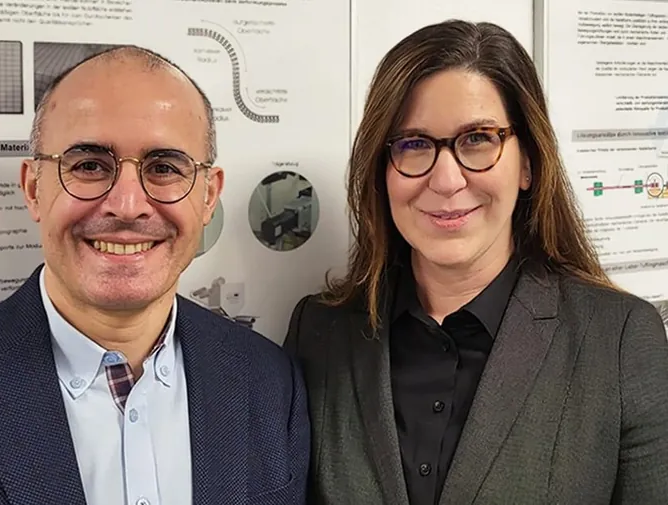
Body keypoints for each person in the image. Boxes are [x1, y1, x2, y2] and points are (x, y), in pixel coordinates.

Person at [0, 46, 308, 505]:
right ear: (34, 189)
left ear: (208, 198)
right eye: (89, 166)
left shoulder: (270, 381)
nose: (128, 205)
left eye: (164, 168)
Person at [284, 19, 668, 505]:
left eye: (478, 139)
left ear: (527, 163)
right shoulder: (320, 333)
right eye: (414, 144)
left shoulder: (619, 341)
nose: (446, 180)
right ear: (382, 171)